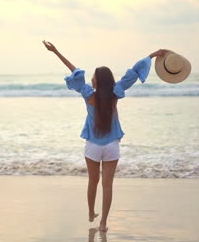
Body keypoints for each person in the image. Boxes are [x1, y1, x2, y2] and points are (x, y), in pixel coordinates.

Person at [42, 40, 167, 232]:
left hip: (93, 145)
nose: (91, 78)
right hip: (112, 146)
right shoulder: (116, 93)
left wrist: (56, 51)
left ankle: (91, 213)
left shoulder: (87, 94)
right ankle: (103, 223)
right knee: (107, 186)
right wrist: (152, 55)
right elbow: (133, 73)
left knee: (93, 181)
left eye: (93, 76)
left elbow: (76, 72)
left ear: (96, 81)